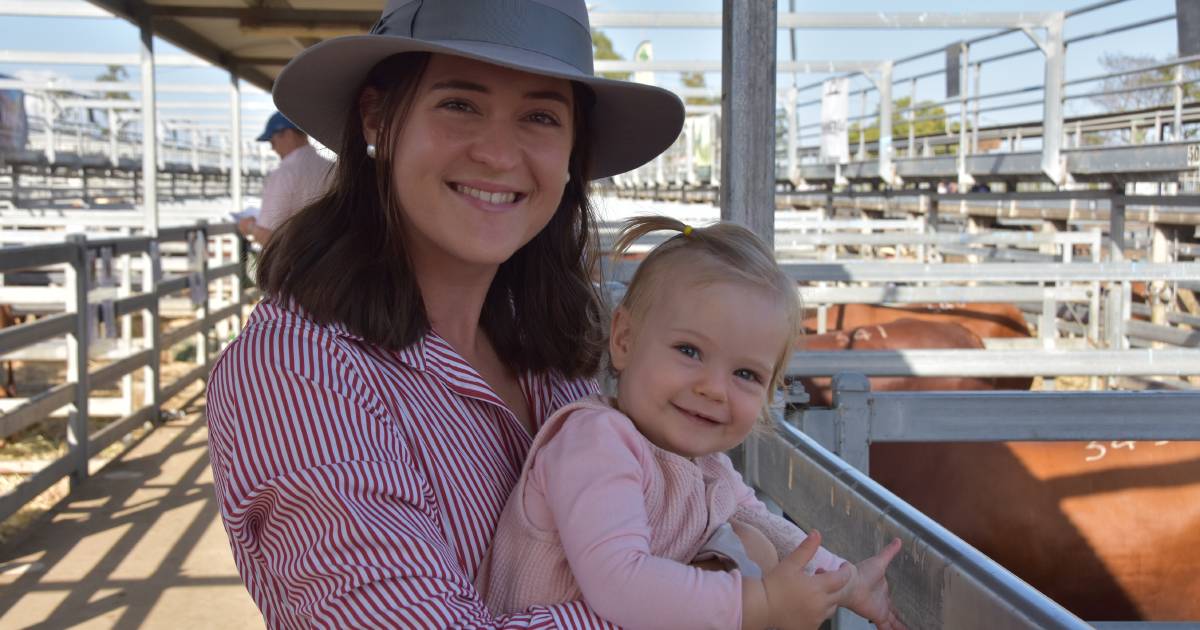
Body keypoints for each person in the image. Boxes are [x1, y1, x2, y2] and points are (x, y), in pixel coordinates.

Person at [205, 0, 687, 626]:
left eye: (541, 116)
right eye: (459, 104)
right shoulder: (296, 372)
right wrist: (708, 600)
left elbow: (673, 517)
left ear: (572, 151)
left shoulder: (548, 342)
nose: (498, 153)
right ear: (378, 117)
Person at [475, 216, 906, 630]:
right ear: (624, 339)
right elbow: (620, 584)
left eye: (746, 374)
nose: (714, 389)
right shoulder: (596, 442)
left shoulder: (707, 465)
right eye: (689, 351)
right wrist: (763, 604)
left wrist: (847, 581)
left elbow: (766, 526)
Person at [236, 111, 332, 243]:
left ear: (287, 134)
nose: (273, 149)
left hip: (300, 261)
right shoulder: (333, 169)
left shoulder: (283, 174)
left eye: (272, 143)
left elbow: (269, 237)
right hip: (335, 258)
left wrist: (250, 227)